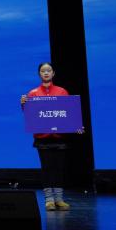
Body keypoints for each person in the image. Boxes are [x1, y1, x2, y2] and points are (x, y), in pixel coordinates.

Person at [21, 62, 82, 211]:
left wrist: (76, 126)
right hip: (42, 138)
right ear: (39, 74)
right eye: (43, 71)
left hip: (59, 137)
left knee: (59, 168)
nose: (46, 73)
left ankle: (59, 199)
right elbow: (30, 114)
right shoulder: (33, 93)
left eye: (49, 70)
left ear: (53, 73)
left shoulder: (62, 91)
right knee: (47, 168)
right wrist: (24, 104)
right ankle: (49, 200)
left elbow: (69, 113)